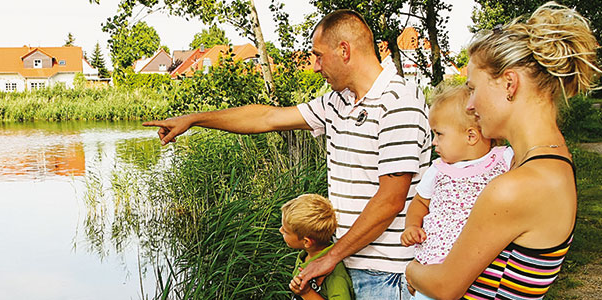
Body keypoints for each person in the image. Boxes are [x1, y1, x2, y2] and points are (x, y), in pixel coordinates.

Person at [144, 10, 430, 299]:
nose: (316, 67)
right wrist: (194, 119)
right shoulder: (338, 101)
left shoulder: (400, 101)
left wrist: (329, 257)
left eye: (319, 55)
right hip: (347, 263)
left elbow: (390, 200)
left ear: (344, 50)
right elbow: (267, 118)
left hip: (387, 275)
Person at [405, 2, 601, 299]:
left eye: (472, 88)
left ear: (509, 83)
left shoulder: (516, 186)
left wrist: (411, 271)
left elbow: (445, 286)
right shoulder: (552, 161)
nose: (469, 105)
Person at [399, 85, 513, 300]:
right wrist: (412, 226)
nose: (434, 142)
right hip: (434, 265)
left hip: (483, 265)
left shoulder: (503, 159)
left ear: (471, 136)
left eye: (439, 134)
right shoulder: (438, 170)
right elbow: (420, 202)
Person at [281, 194, 354, 300]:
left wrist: (306, 292)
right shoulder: (305, 256)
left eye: (286, 231)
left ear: (306, 242)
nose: (280, 230)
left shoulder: (335, 274)